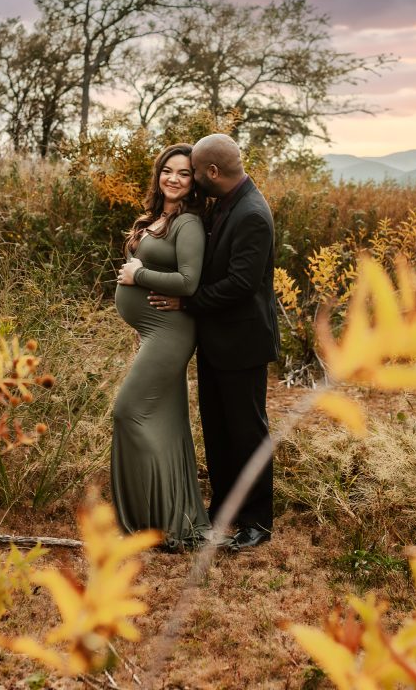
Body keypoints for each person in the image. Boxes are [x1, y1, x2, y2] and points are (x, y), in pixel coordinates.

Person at [148, 133, 279, 551]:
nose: (194, 181)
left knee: (247, 432)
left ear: (213, 172)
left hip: (242, 343)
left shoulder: (252, 214)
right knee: (218, 429)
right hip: (217, 339)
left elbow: (242, 284)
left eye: (196, 173)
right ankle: (223, 508)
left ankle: (257, 522)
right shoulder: (225, 203)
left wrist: (186, 300)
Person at [112, 144, 211, 550]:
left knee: (128, 412)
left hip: (170, 333)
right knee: (168, 425)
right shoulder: (158, 218)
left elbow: (189, 282)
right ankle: (170, 521)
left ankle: (146, 517)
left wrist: (140, 275)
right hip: (153, 330)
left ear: (195, 181)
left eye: (184, 173)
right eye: (167, 171)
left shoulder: (188, 223)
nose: (173, 178)